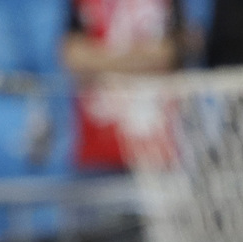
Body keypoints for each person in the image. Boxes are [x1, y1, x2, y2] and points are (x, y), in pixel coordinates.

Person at [62, 0, 186, 174]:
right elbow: (72, 56)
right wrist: (139, 60)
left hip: (157, 149)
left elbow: (169, 54)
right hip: (98, 151)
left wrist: (98, 60)